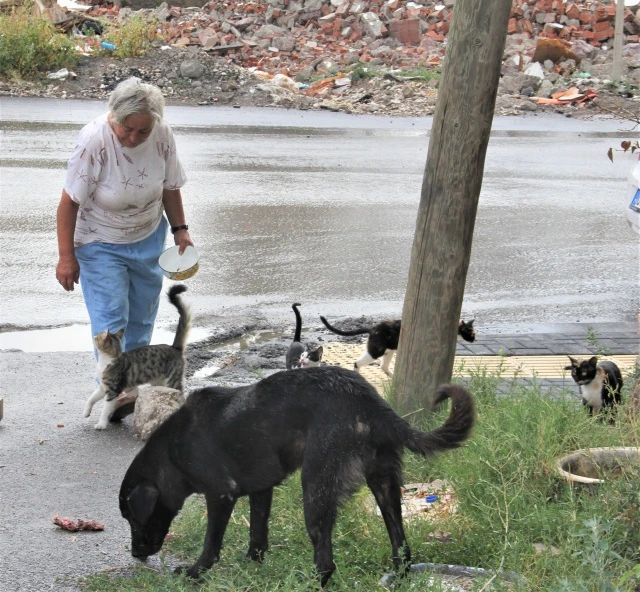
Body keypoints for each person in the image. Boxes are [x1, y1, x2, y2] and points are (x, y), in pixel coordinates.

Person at [56, 77, 194, 414]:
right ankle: (112, 389)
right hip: (99, 240)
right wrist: (66, 256)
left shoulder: (162, 135)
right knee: (110, 318)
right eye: (126, 129)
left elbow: (169, 187)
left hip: (146, 235)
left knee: (142, 316)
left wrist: (180, 230)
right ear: (113, 117)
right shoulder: (94, 142)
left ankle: (130, 386)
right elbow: (69, 202)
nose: (133, 138)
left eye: (141, 132)